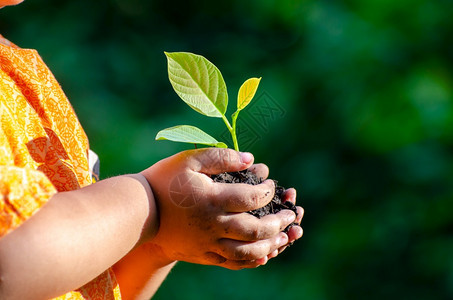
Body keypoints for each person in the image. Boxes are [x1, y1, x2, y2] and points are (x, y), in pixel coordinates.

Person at [0, 1, 304, 299]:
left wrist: (159, 240)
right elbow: (9, 262)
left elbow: (93, 284)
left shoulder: (19, 66)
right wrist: (151, 202)